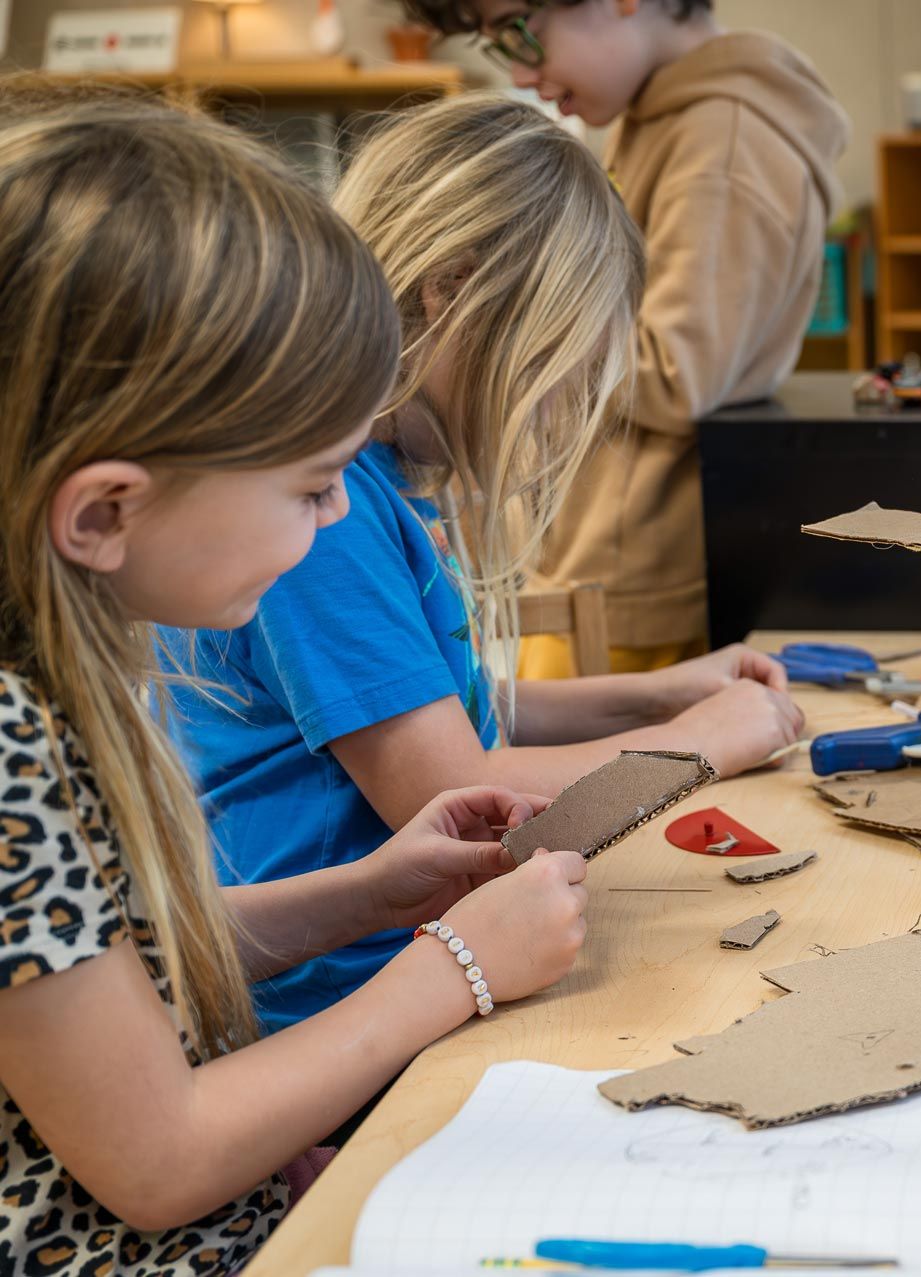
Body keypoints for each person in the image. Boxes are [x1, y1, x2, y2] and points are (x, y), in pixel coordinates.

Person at [0, 94, 587, 1270]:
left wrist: (370, 890)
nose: (334, 518)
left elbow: (110, 969)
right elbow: (159, 1160)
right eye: (312, 485)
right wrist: (456, 966)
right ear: (107, 511)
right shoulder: (9, 739)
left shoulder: (72, 667)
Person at [165, 94, 803, 1036]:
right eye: (560, 364)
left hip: (415, 956)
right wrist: (699, 743)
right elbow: (454, 793)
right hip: (343, 996)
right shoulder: (325, 514)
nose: (565, 406)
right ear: (451, 290)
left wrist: (659, 694)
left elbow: (438, 703)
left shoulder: (382, 485)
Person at [399, 0, 849, 676]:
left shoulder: (724, 139)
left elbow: (675, 369)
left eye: (520, 31)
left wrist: (501, 332)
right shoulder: (663, 115)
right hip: (597, 552)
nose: (523, 71)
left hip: (630, 569)